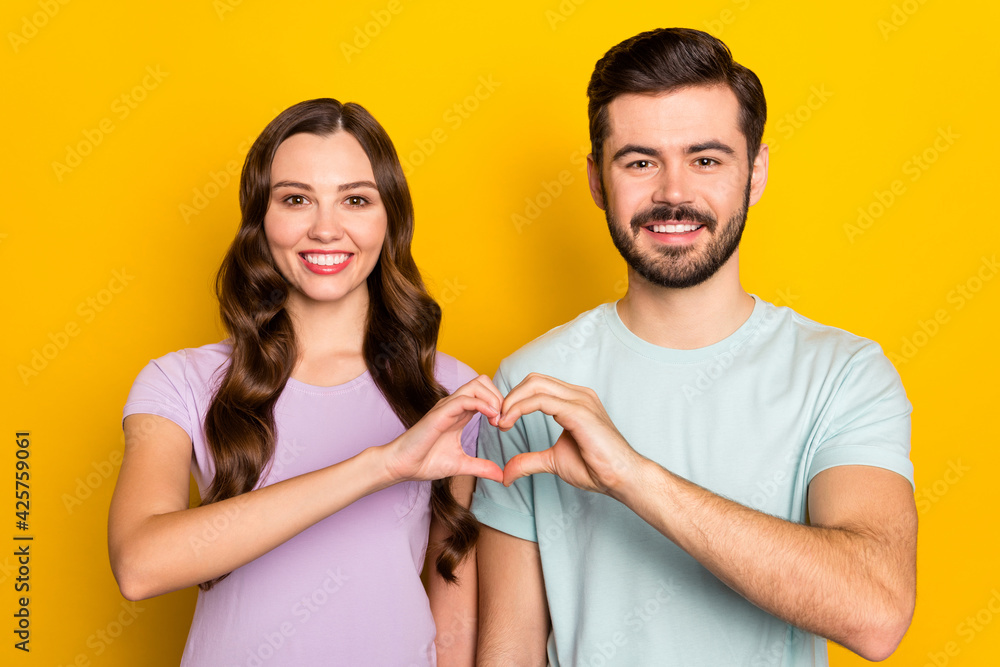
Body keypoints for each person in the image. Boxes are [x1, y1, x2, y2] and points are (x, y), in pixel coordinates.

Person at [472, 28, 917, 666]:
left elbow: (876, 614)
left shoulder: (843, 375)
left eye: (705, 159)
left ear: (755, 171)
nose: (674, 192)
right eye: (640, 161)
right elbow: (507, 650)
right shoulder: (532, 383)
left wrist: (631, 477)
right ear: (598, 180)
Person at [109, 98, 503, 667]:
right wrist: (381, 465)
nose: (325, 228)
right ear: (259, 219)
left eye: (356, 200)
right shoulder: (180, 381)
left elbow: (454, 599)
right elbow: (140, 566)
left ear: (389, 218)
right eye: (296, 199)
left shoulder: (448, 391)